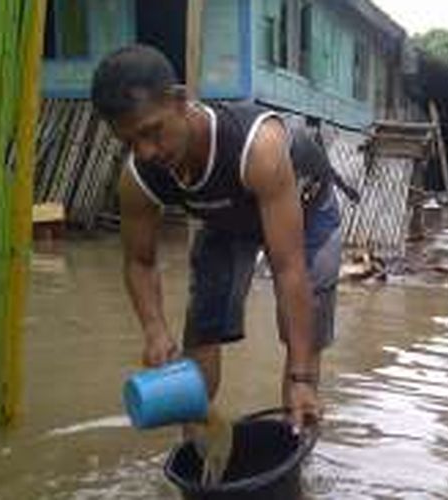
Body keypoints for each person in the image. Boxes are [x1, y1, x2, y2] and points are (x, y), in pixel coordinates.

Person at [90, 44, 345, 431]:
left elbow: (288, 268)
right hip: (227, 219)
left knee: (302, 343)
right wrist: (154, 328)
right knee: (205, 322)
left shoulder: (257, 148)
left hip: (307, 213)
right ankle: (201, 447)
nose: (145, 152)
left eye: (151, 132)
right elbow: (139, 262)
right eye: (129, 143)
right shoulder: (139, 178)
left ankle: (298, 426)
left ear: (179, 101)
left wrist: (301, 378)